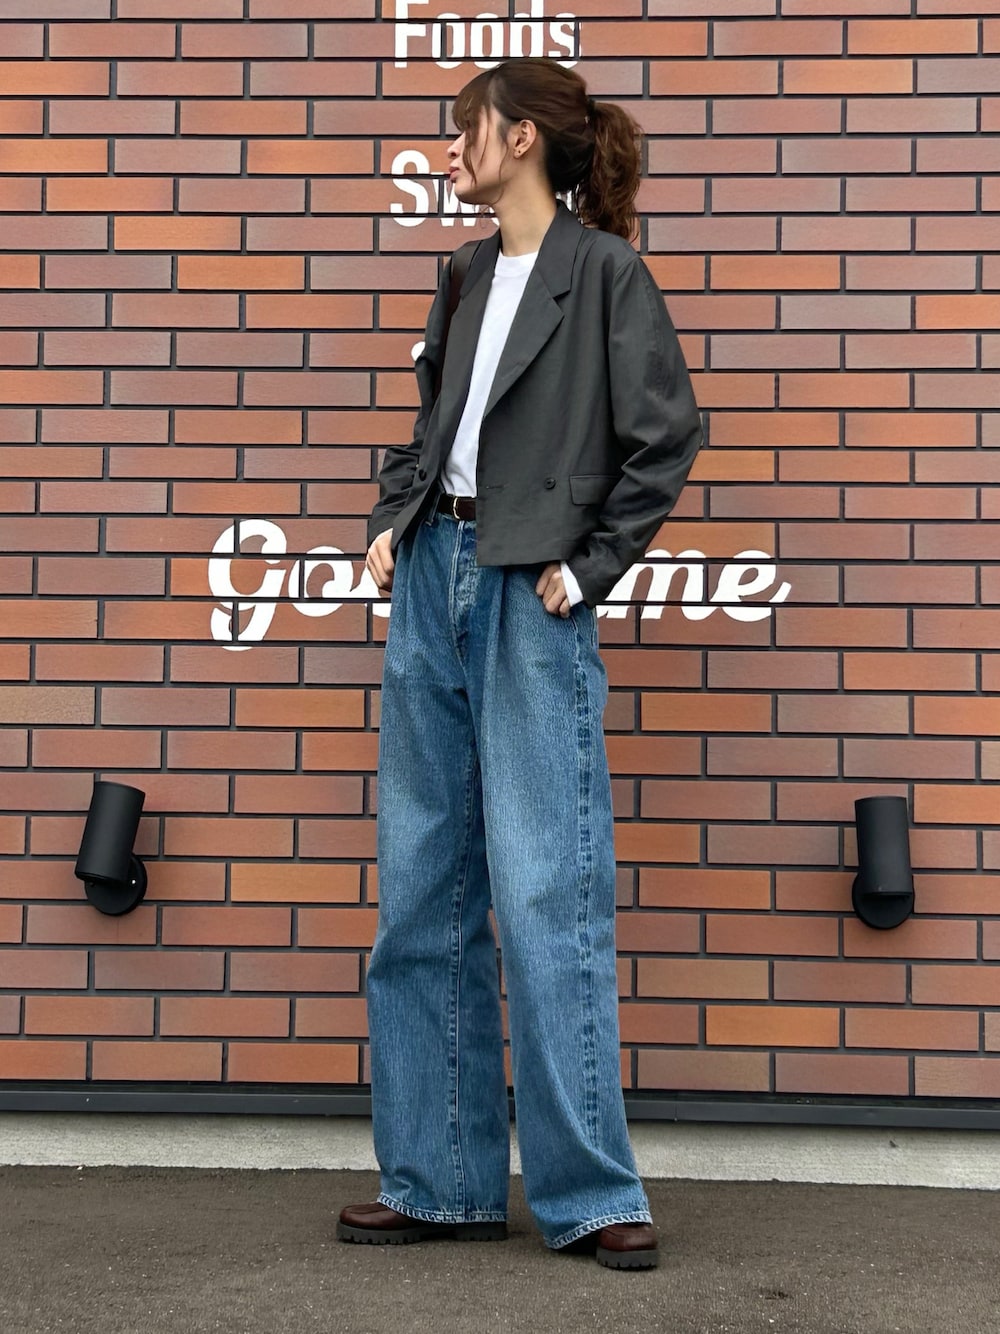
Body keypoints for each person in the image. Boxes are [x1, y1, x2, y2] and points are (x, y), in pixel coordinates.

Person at [338, 56, 702, 1270]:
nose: (451, 151)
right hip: (430, 580)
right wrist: (391, 521)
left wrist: (590, 567)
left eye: (466, 131)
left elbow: (664, 435)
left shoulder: (603, 272)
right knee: (421, 892)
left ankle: (590, 1193)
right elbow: (431, 428)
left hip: (525, 590)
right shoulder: (461, 273)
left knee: (549, 890)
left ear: (522, 139)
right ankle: (437, 1180)